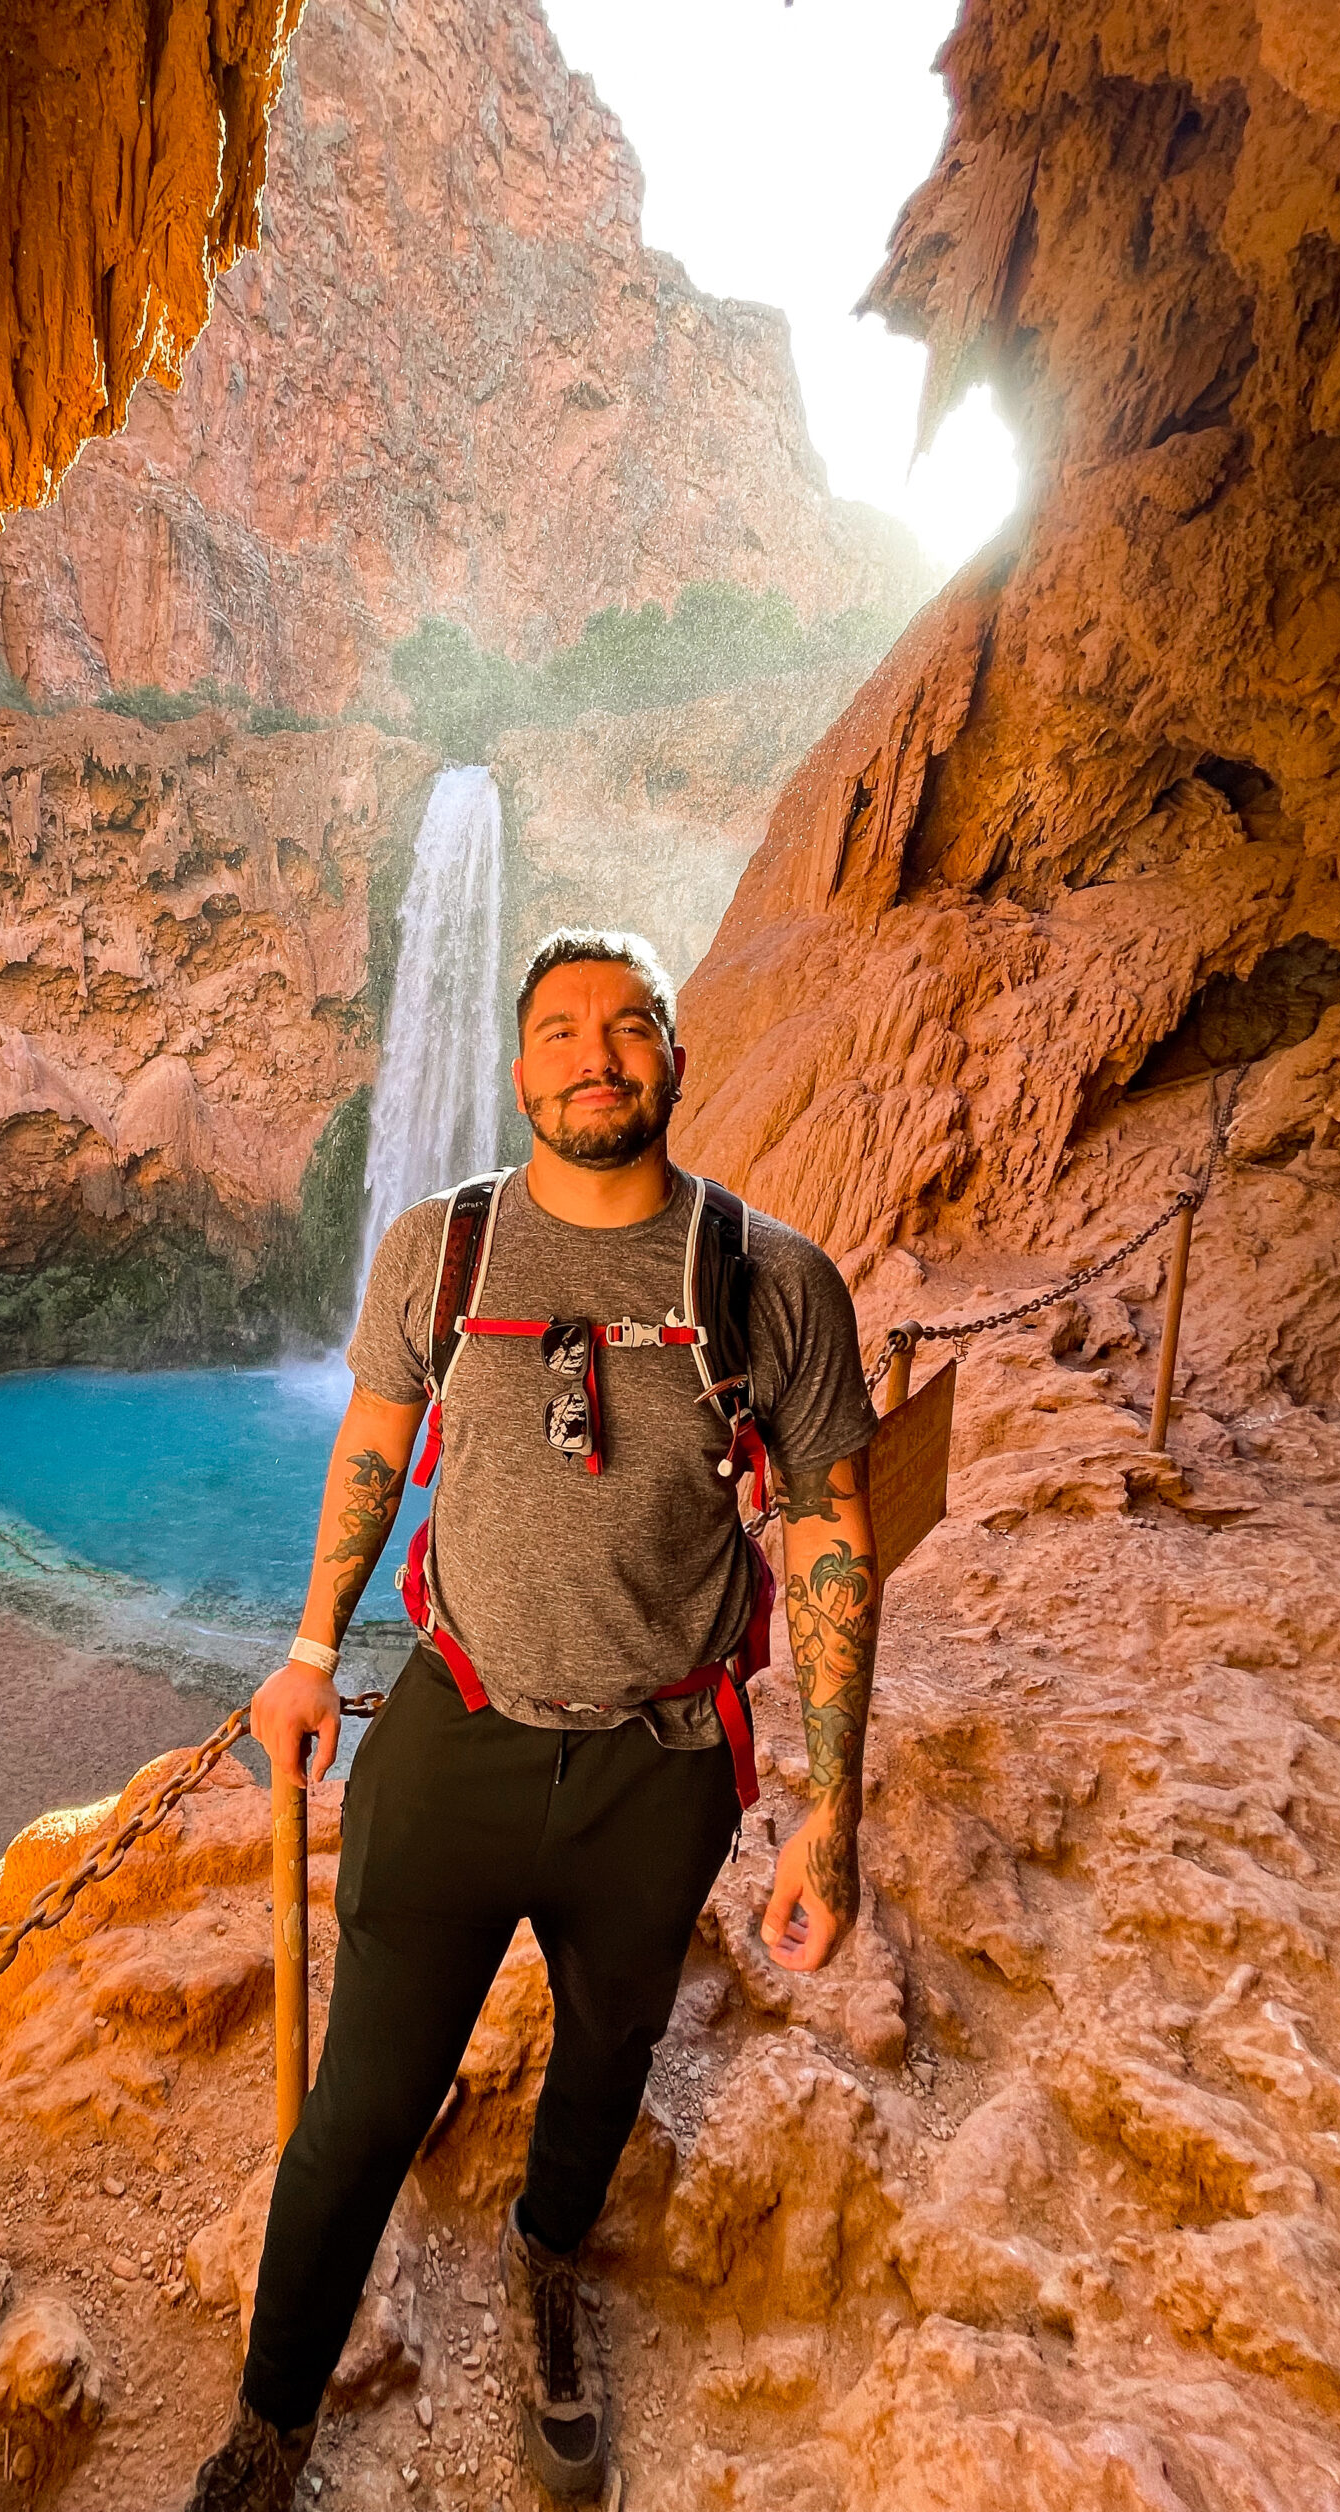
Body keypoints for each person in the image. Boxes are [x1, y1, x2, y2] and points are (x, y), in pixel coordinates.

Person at [183, 929, 881, 2511]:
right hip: (459, 1733)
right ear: (519, 1073)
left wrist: (830, 1813)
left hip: (665, 1763)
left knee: (611, 2046)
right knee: (362, 2105)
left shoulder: (774, 1282)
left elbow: (832, 1532)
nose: (596, 1054)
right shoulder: (443, 1249)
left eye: (629, 1026)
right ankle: (270, 2422)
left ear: (675, 1062)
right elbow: (376, 1430)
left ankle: (548, 2260)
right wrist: (308, 1651)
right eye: (561, 1029)